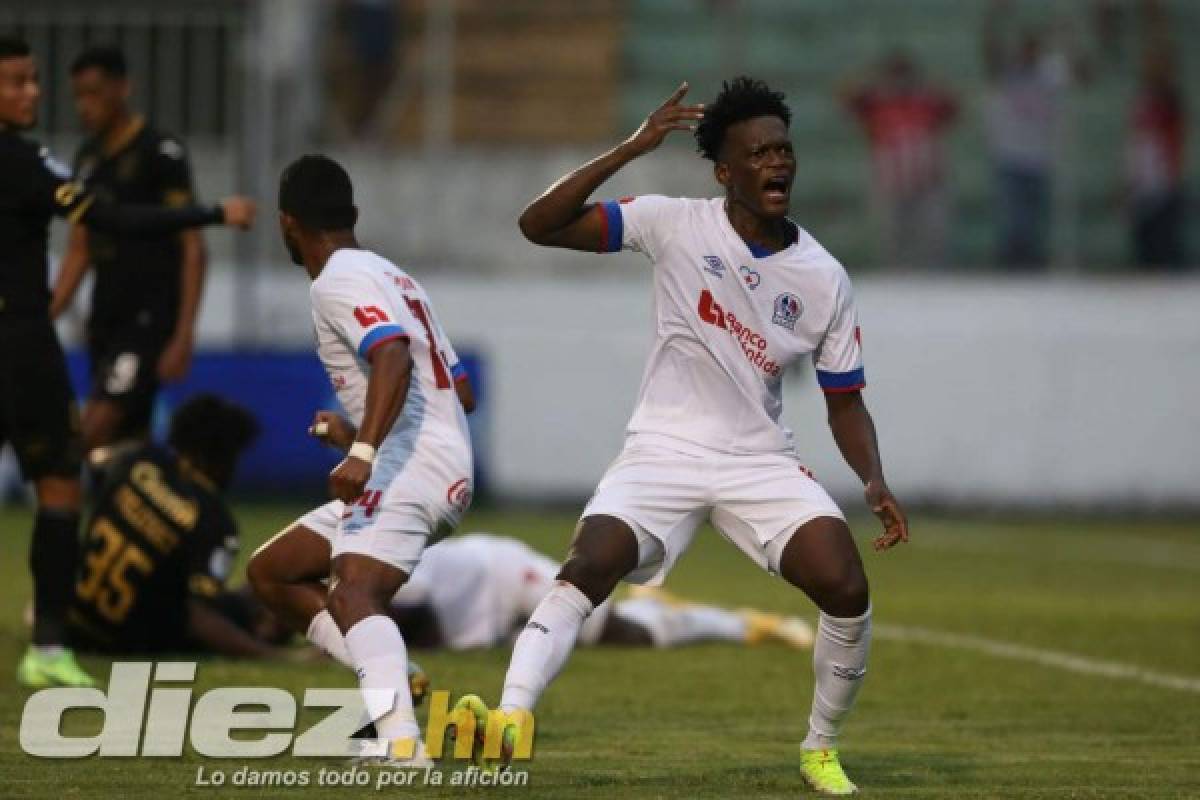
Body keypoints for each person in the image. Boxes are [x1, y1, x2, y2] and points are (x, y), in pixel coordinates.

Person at [454, 77, 909, 796]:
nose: (777, 163)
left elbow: (845, 400)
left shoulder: (823, 277)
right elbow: (538, 224)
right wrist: (635, 146)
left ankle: (819, 750)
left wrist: (873, 478)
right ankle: (511, 716)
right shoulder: (671, 222)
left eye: (784, 149)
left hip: (759, 459)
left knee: (845, 585)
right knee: (589, 562)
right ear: (724, 172)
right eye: (757, 153)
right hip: (662, 449)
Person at [0, 36, 254, 689]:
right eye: (18, 83)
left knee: (87, 458)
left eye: (34, 80)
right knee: (60, 483)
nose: (34, 93)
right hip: (25, 345)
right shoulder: (32, 162)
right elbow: (105, 218)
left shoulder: (152, 151)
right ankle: (50, 646)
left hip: (111, 326)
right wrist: (215, 212)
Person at [246, 154, 474, 765]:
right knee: (273, 572)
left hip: (412, 461)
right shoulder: (394, 275)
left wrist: (365, 450)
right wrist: (356, 431)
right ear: (353, 213)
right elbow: (461, 389)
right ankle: (397, 676)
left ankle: (400, 742)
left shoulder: (338, 280)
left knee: (352, 595)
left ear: (287, 223)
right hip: (437, 459)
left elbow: (393, 355)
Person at [51, 47, 210, 465]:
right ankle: (120, 526)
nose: (85, 106)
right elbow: (79, 248)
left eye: (94, 93)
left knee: (94, 426)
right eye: (78, 95)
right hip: (106, 314)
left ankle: (53, 482)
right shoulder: (87, 160)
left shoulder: (161, 153)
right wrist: (48, 312)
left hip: (149, 317)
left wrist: (184, 331)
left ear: (123, 89)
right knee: (121, 446)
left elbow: (192, 245)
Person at [66, 394, 284, 658]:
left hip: (74, 622)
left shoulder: (138, 462)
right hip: (129, 640)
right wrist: (275, 656)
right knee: (273, 597)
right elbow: (197, 616)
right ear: (217, 457)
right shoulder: (214, 519)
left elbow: (96, 462)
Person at [383, 532, 815, 652]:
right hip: (483, 602)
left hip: (507, 574)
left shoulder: (375, 559)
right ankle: (649, 604)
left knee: (623, 635)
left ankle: (746, 625)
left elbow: (422, 618)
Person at [841, 51, 958, 269]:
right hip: (889, 182)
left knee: (932, 237)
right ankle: (895, 283)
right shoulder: (876, 102)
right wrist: (873, 76)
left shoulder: (927, 101)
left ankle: (936, 282)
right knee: (891, 238)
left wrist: (929, 81)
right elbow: (845, 98)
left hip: (928, 181)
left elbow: (955, 105)